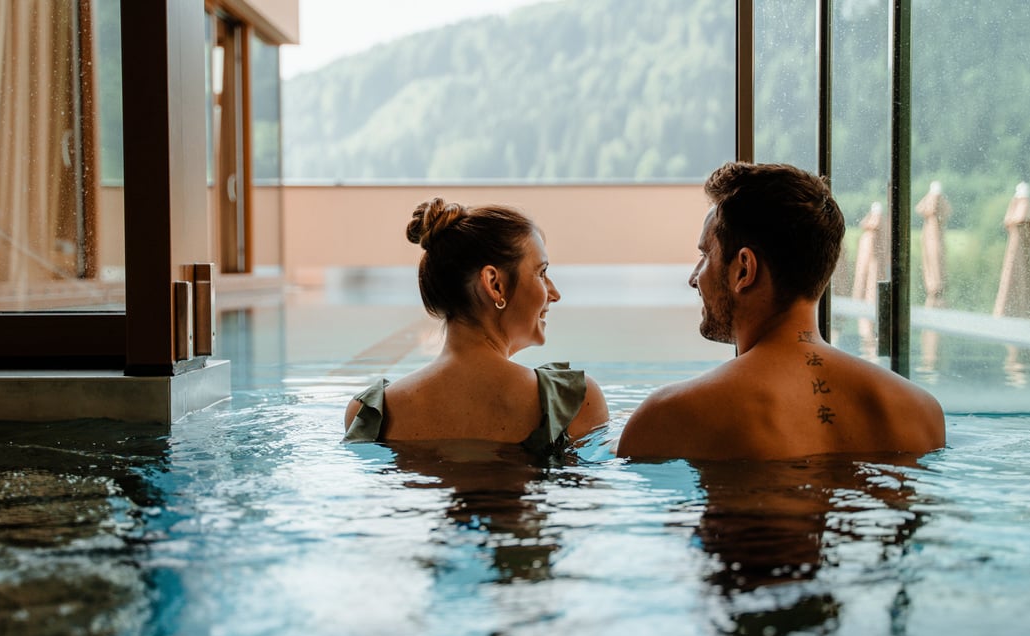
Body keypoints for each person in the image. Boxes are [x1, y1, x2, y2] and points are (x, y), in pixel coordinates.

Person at [617, 162, 945, 460]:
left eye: (705, 256)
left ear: (744, 270)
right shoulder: (921, 414)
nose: (694, 278)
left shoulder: (672, 417)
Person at [344, 198, 608, 456]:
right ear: (495, 284)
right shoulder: (574, 403)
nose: (554, 293)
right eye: (541, 273)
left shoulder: (368, 414)